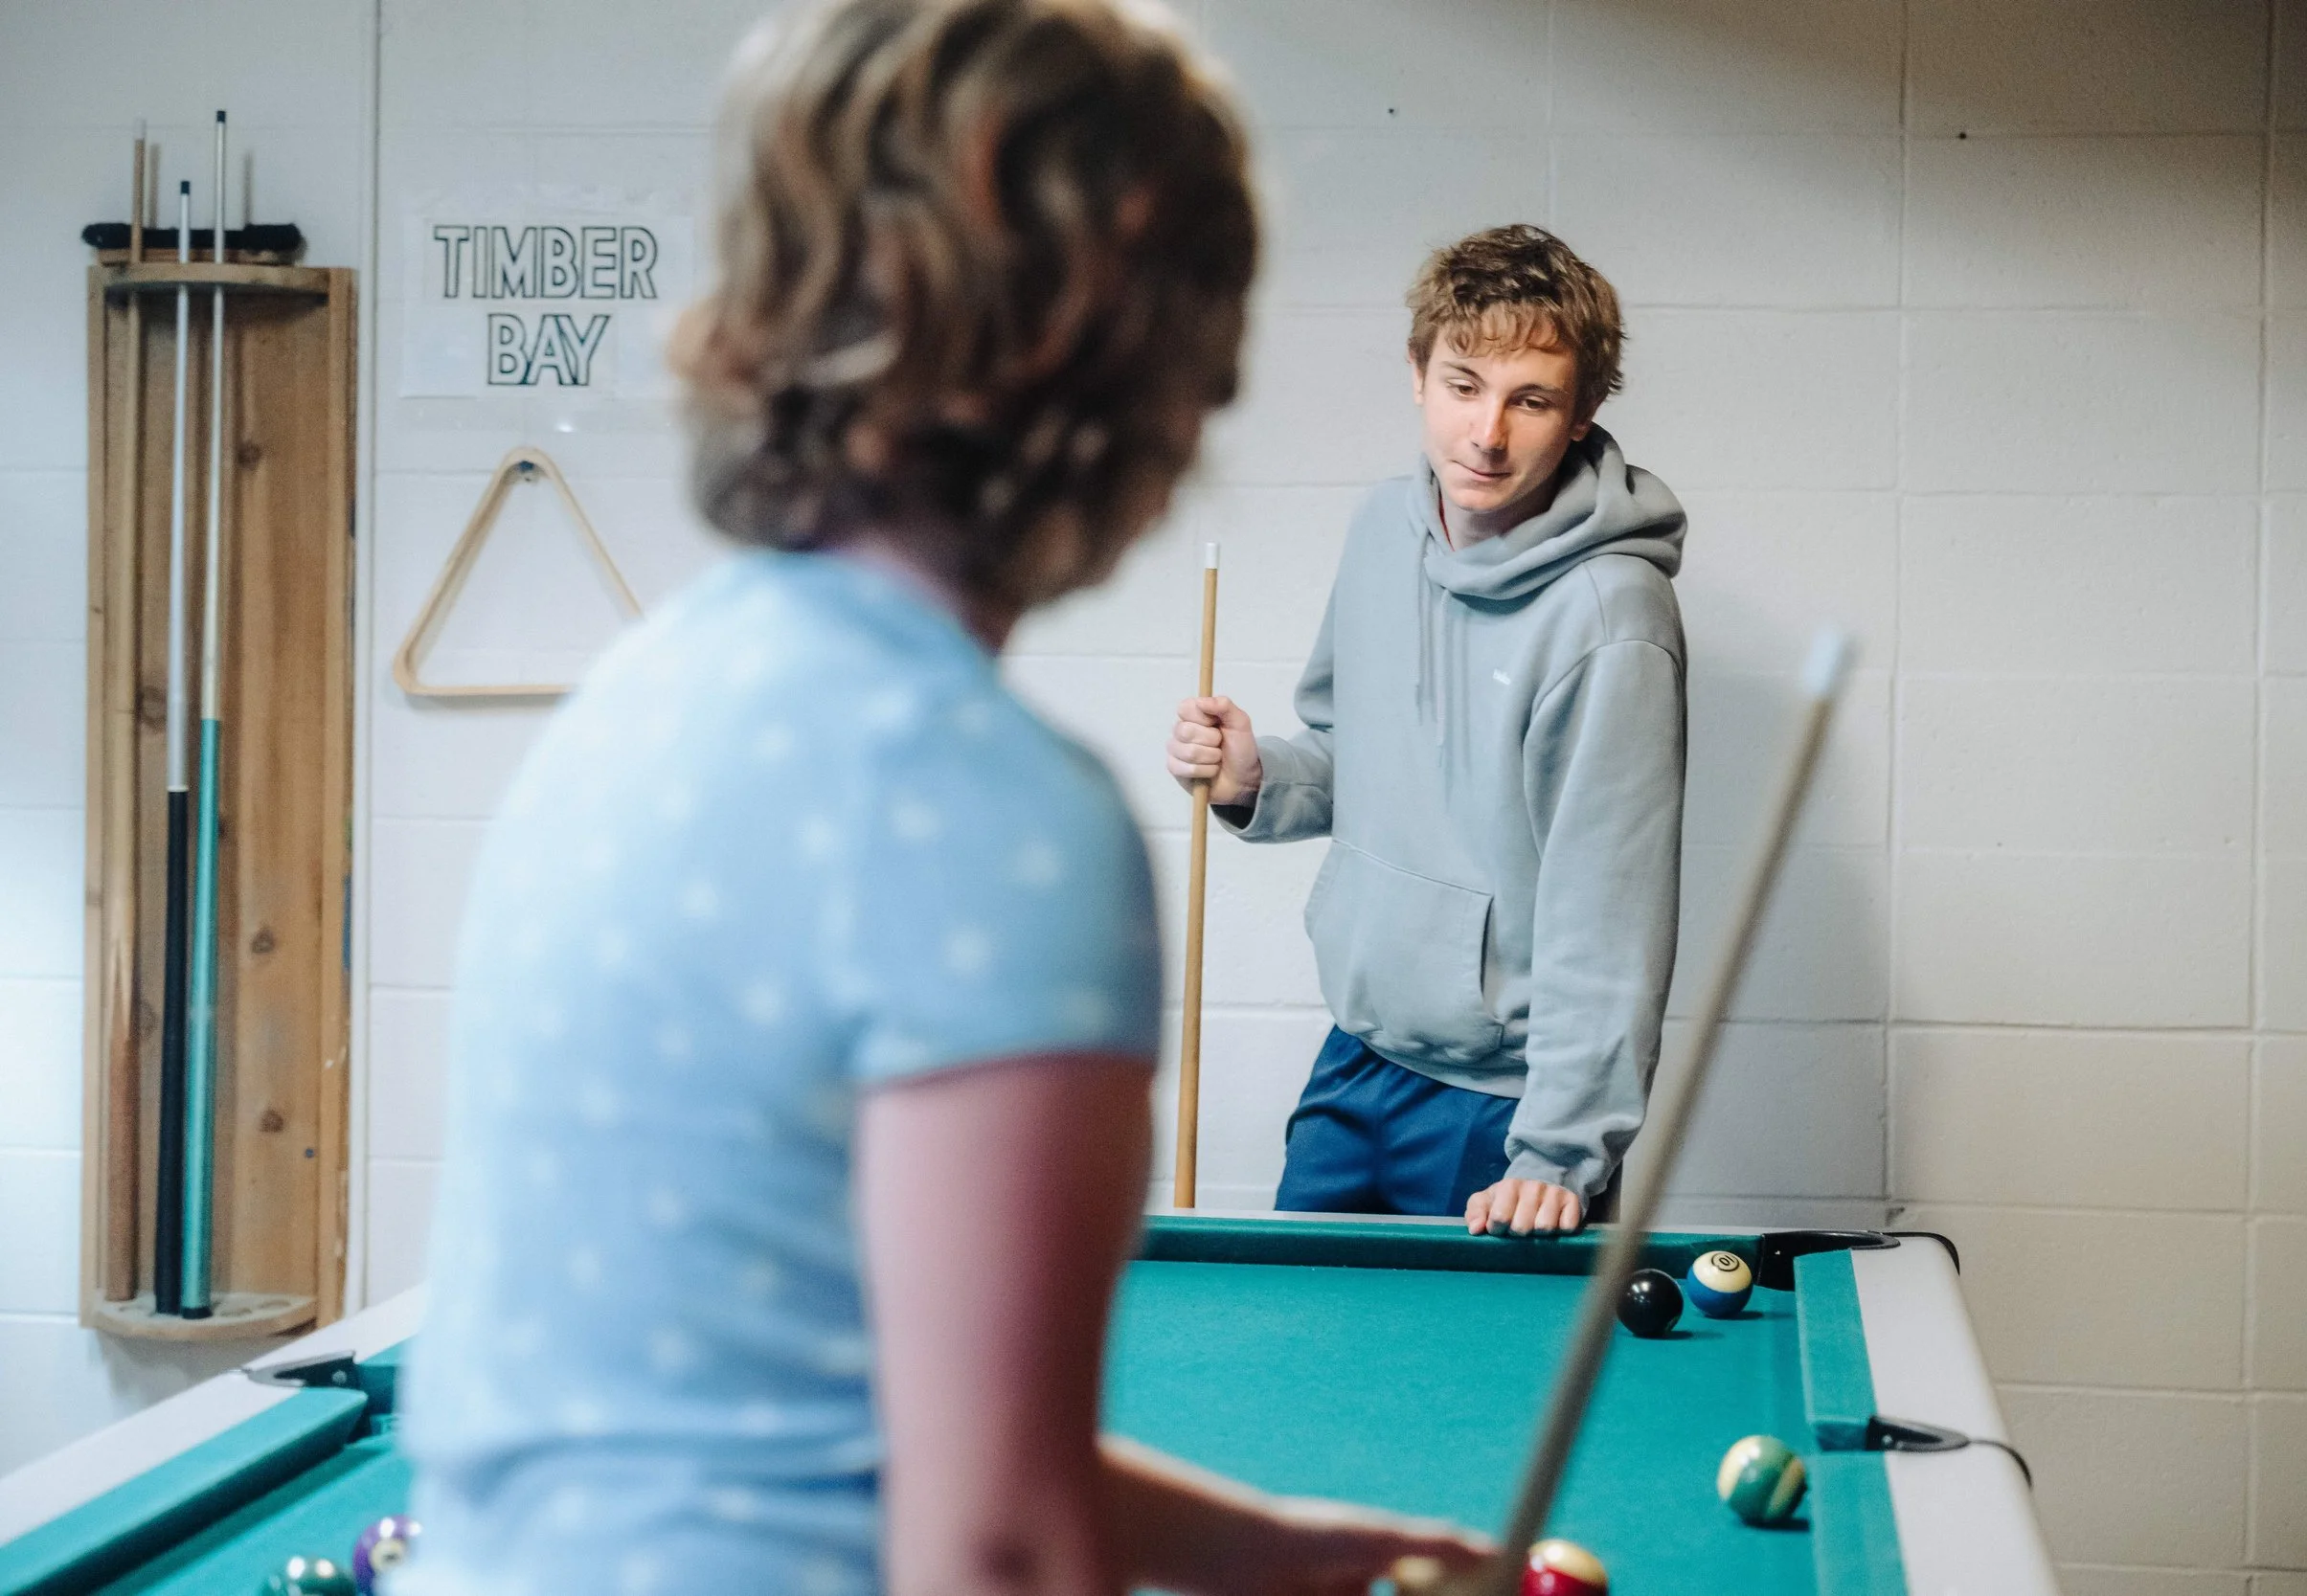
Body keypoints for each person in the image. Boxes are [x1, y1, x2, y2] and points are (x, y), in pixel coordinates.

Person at [392, 4, 1490, 1594]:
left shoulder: (638, 697)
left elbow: (808, 1440)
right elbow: (996, 1549)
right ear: (1128, 364)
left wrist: (1293, 1553)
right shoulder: (994, 813)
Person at [1165, 225, 1687, 1242]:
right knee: (1299, 1368)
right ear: (1417, 375)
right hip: (1358, 1053)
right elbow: (1354, 756)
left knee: (1475, 1401)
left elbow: (1611, 912)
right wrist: (1255, 774)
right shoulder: (1381, 530)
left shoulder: (1611, 618)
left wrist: (1560, 1150)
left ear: (1580, 415)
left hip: (1502, 1109)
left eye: (1529, 399)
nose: (1485, 434)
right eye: (1462, 384)